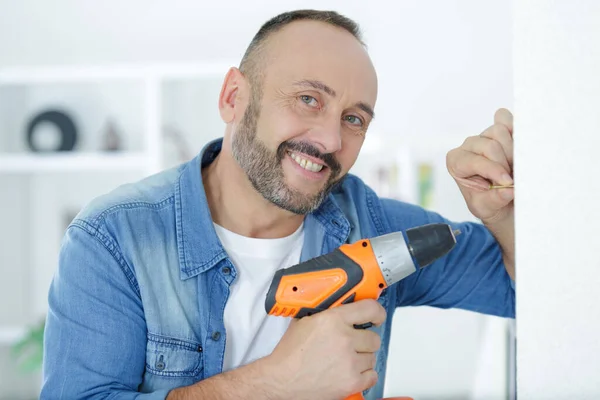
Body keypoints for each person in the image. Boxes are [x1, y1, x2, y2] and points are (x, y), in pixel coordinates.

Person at [41, 9, 515, 400]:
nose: (331, 139)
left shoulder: (374, 225)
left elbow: (528, 292)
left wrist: (501, 217)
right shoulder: (114, 239)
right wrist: (278, 381)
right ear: (233, 98)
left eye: (354, 118)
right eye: (308, 99)